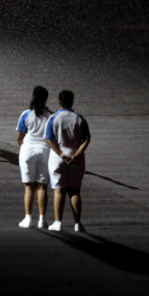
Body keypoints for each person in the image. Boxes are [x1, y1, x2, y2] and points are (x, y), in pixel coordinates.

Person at [44, 90, 91, 232]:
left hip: (58, 159)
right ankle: (78, 223)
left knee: (59, 191)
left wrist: (60, 153)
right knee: (75, 191)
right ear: (72, 101)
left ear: (59, 101)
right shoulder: (79, 118)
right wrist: (77, 154)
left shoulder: (54, 118)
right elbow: (87, 139)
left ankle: (58, 222)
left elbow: (48, 139)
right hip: (76, 158)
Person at [16, 86, 52, 229]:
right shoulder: (50, 115)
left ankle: (28, 218)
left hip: (28, 149)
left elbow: (19, 135)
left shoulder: (26, 114)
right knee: (42, 187)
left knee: (29, 187)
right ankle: (42, 219)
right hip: (45, 150)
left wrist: (22, 147)